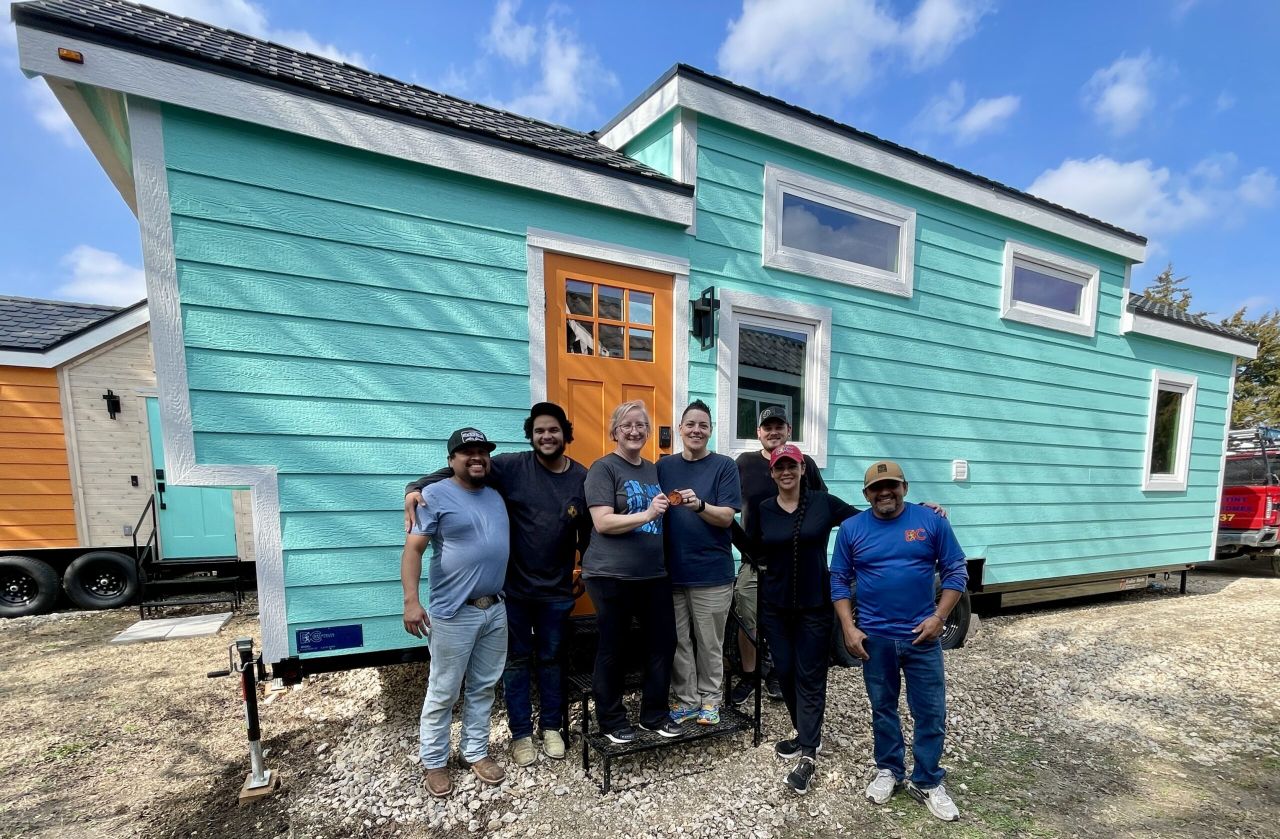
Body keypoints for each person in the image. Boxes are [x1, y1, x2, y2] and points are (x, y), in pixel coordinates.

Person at [403, 403, 589, 767]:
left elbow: (588, 531)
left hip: (555, 593)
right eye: (539, 431)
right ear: (531, 436)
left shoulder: (581, 478)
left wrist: (584, 570)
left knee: (552, 660)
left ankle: (552, 727)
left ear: (566, 433)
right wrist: (415, 487)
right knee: (515, 664)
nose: (546, 436)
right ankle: (521, 734)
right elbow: (463, 467)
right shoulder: (510, 466)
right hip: (514, 593)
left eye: (553, 430)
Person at [831, 460, 967, 822]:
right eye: (877, 488)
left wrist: (939, 617)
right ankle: (889, 769)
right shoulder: (851, 529)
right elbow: (839, 580)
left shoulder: (931, 522)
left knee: (930, 711)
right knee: (883, 708)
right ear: (866, 495)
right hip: (875, 639)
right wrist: (848, 626)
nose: (885, 492)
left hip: (922, 638)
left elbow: (956, 569)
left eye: (892, 485)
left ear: (905, 487)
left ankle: (927, 779)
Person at [745, 443, 860, 795]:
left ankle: (809, 753)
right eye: (780, 467)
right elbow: (750, 546)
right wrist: (707, 515)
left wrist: (918, 511)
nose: (786, 472)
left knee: (810, 676)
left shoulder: (823, 503)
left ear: (803, 469)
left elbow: (867, 518)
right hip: (775, 608)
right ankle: (804, 733)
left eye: (792, 466)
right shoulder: (762, 508)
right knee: (786, 673)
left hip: (814, 605)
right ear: (773, 472)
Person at [401, 427, 510, 798]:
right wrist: (411, 602)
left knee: (483, 687)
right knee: (444, 690)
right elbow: (413, 550)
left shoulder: (496, 496)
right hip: (452, 614)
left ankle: (475, 752)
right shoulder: (432, 496)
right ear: (451, 460)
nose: (476, 458)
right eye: (467, 452)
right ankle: (434, 762)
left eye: (482, 452)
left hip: (495, 608)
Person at [583, 400, 681, 743]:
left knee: (663, 642)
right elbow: (602, 521)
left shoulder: (654, 469)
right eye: (627, 425)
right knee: (615, 645)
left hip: (652, 573)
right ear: (614, 432)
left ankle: (654, 715)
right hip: (611, 575)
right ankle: (610, 719)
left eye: (641, 425)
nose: (635, 431)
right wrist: (647, 515)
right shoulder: (603, 469)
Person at [731, 407, 826, 706]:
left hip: (795, 564)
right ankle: (750, 674)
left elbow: (825, 506)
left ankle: (777, 672)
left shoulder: (804, 463)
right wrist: (739, 542)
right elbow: (724, 507)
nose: (773, 431)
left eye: (778, 426)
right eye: (766, 427)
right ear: (758, 432)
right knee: (748, 620)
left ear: (788, 430)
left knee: (788, 622)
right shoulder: (743, 464)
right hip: (754, 562)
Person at [657, 400, 742, 727]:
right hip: (671, 572)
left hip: (711, 573)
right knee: (678, 640)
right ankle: (687, 699)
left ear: (710, 431)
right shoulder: (664, 467)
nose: (696, 430)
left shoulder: (723, 466)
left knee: (709, 642)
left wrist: (699, 505)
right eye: (690, 424)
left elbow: (726, 517)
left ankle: (710, 699)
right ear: (680, 428)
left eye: (703, 425)